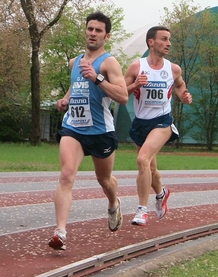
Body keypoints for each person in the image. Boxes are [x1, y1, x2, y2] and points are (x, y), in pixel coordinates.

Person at [48, 11, 128, 250]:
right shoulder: (75, 62)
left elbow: (123, 96)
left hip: (100, 131)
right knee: (66, 175)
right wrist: (64, 100)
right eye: (90, 29)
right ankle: (60, 232)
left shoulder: (109, 63)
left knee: (104, 179)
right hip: (73, 127)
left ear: (106, 36)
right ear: (85, 31)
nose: (93, 33)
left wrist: (97, 78)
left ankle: (114, 203)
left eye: (98, 30)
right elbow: (76, 88)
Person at [124, 26, 192, 226]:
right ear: (151, 42)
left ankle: (141, 210)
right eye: (164, 39)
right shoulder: (137, 67)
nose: (169, 43)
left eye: (169, 39)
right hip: (141, 123)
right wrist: (135, 86)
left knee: (142, 160)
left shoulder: (173, 68)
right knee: (151, 168)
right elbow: (120, 93)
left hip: (162, 121)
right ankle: (162, 193)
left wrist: (184, 95)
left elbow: (179, 85)